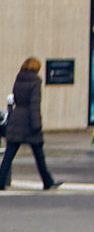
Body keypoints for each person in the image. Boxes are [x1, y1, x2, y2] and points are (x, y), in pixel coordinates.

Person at [1, 56, 58, 190]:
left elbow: (15, 96)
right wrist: (37, 125)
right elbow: (34, 104)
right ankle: (47, 181)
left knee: (9, 154)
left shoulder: (18, 78)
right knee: (38, 154)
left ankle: (1, 180)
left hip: (16, 118)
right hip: (29, 120)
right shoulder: (35, 81)